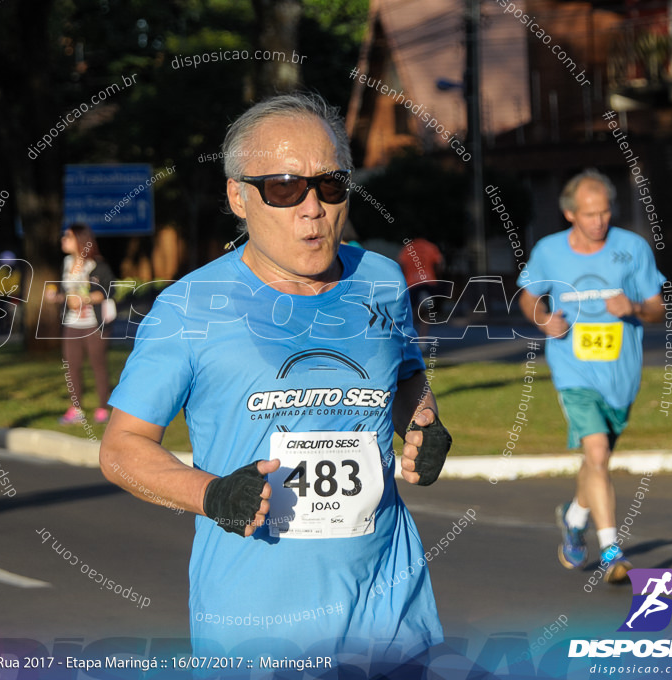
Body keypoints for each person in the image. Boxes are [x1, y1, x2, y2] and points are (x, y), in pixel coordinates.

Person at [100, 93, 451, 674]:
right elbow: (121, 449)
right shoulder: (189, 308)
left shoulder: (382, 280)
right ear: (239, 196)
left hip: (391, 607)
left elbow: (407, 378)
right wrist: (211, 495)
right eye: (285, 188)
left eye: (331, 185)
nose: (312, 209)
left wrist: (424, 425)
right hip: (256, 620)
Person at [518, 169, 665, 584]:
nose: (600, 221)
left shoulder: (632, 248)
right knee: (597, 453)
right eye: (590, 214)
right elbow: (529, 296)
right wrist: (545, 320)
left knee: (596, 459)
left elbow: (659, 308)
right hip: (573, 369)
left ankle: (575, 515)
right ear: (570, 214)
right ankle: (612, 552)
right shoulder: (549, 252)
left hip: (621, 376)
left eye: (604, 212)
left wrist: (634, 309)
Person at [57, 223, 114, 425]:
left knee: (98, 365)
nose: (64, 240)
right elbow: (65, 291)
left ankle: (103, 408)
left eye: (68, 237)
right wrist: (58, 297)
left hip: (94, 324)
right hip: (72, 323)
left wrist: (85, 299)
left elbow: (109, 291)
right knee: (72, 367)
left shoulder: (97, 265)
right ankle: (76, 408)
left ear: (80, 241)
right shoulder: (65, 263)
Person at [397, 236, 444, 328]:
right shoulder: (431, 247)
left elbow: (401, 264)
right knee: (427, 312)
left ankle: (411, 332)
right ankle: (423, 338)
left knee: (411, 310)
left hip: (412, 283)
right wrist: (438, 276)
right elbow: (440, 264)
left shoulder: (407, 248)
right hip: (429, 281)